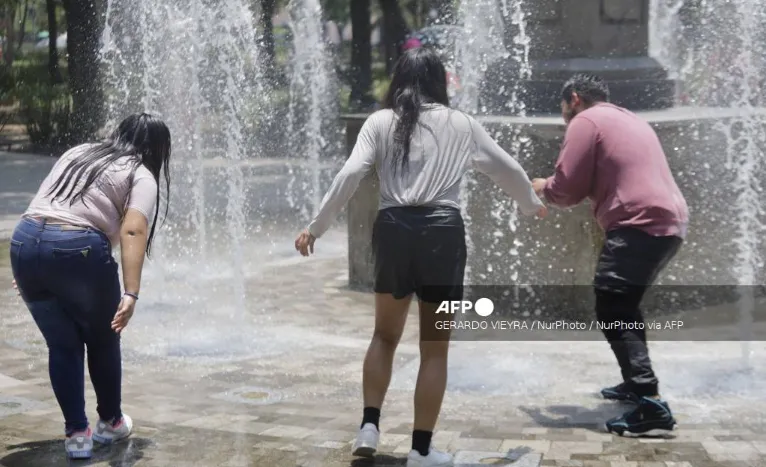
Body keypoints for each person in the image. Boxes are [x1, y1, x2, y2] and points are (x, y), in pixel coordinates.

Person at [295, 48, 546, 467]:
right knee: (434, 348)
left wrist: (316, 227)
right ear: (439, 82)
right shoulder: (461, 124)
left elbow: (350, 174)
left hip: (393, 230)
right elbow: (509, 170)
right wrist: (529, 203)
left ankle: (369, 427)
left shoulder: (379, 122)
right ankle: (421, 450)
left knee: (384, 336)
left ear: (398, 81)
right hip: (443, 235)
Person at [531, 74, 689, 437]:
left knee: (613, 302)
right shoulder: (627, 117)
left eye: (563, 111)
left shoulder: (585, 120)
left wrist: (543, 187)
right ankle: (638, 386)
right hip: (669, 222)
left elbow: (567, 188)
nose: (565, 119)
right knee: (624, 302)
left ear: (573, 99)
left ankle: (650, 402)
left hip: (640, 222)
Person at [8, 113, 171, 459]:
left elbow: (43, 207)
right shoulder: (140, 174)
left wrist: (33, 264)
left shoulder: (80, 152)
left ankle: (77, 436)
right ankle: (111, 422)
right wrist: (131, 292)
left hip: (24, 244)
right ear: (158, 150)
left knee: (63, 345)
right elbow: (132, 230)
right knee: (103, 336)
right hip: (76, 248)